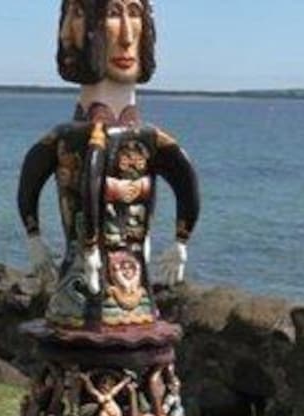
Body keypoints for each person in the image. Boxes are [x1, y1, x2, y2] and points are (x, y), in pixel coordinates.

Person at [19, 0, 201, 330]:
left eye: (135, 13)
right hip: (79, 293)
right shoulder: (72, 138)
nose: (129, 36)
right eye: (114, 14)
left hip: (134, 295)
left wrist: (180, 240)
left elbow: (183, 177)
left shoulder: (148, 138)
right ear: (74, 24)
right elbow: (33, 175)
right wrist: (36, 237)